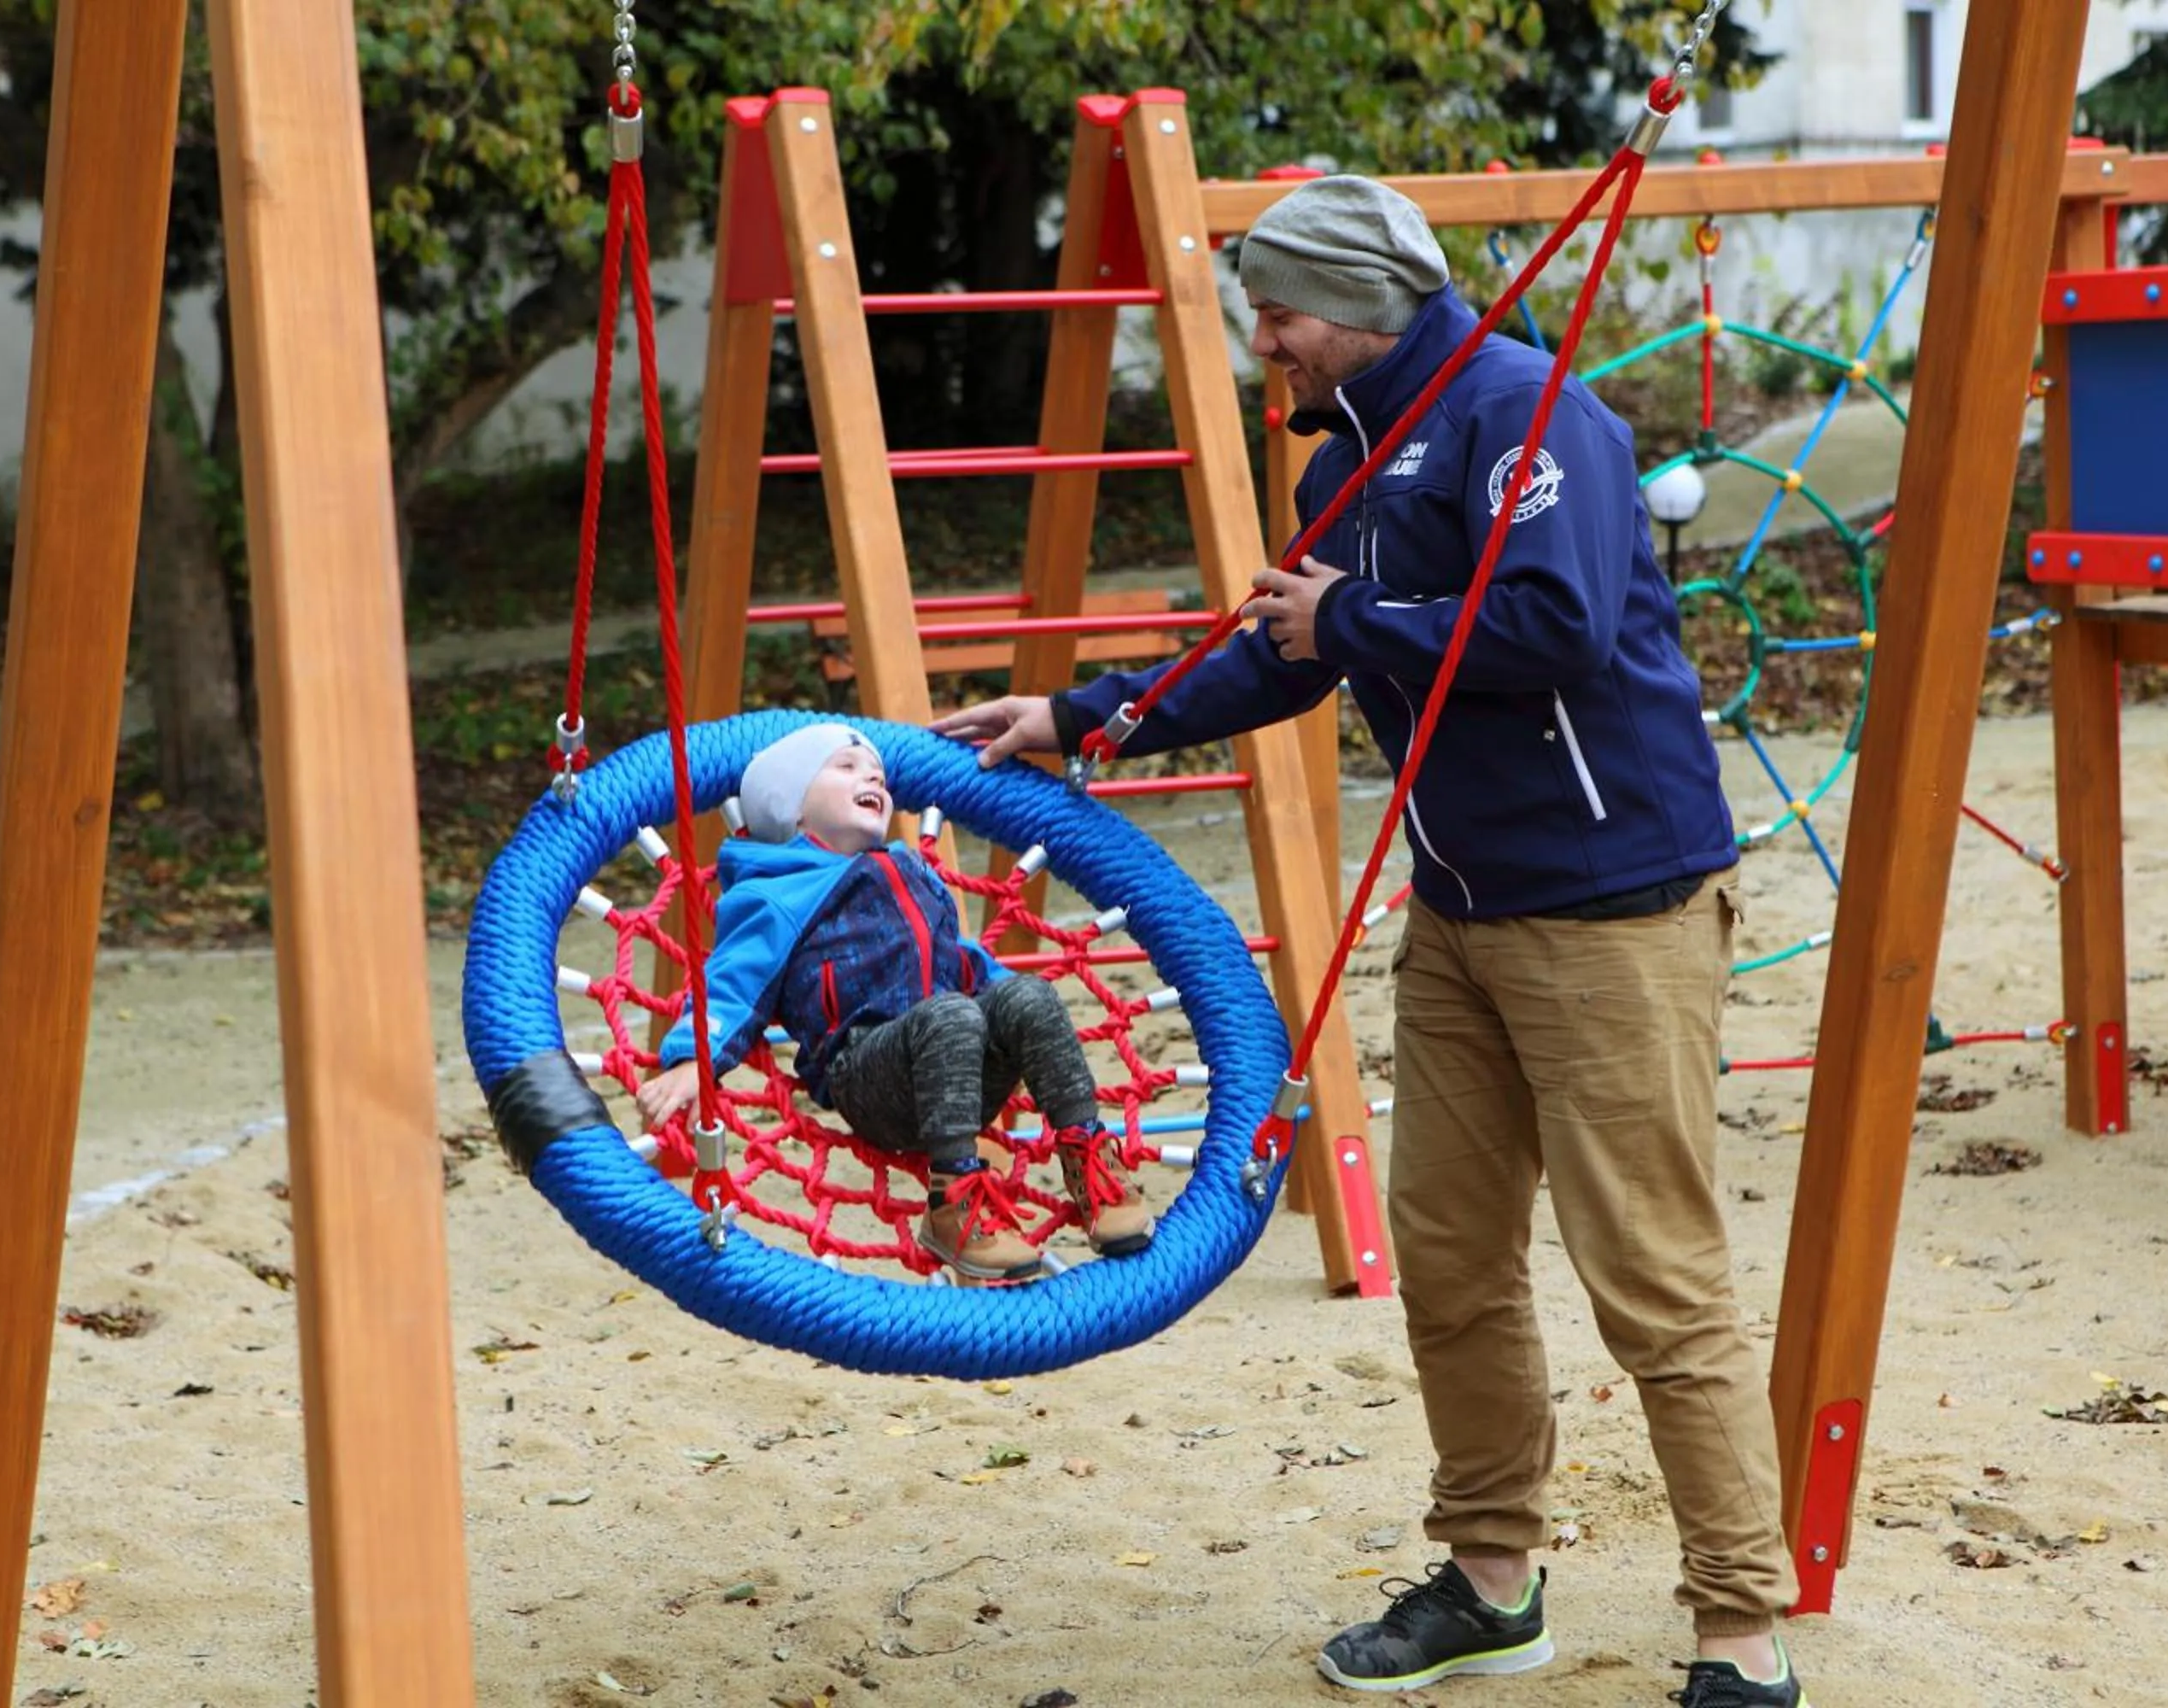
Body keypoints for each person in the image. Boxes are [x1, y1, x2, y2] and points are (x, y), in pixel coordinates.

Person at [932, 175, 1807, 1705]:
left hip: (1613, 910)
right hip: (1461, 914)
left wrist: (1349, 625)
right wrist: (1078, 718)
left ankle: (1742, 1636)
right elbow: (1281, 648)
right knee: (1453, 1262)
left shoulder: (1530, 417)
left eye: (1276, 310)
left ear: (1357, 304)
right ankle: (1489, 1579)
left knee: (1653, 1279)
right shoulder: (1344, 456)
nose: (1259, 337)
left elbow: (1551, 625)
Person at [637, 721, 1153, 1282]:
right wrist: (697, 1060)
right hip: (870, 1074)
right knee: (949, 1013)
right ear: (792, 807)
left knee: (1027, 994)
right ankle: (954, 1205)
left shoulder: (908, 871)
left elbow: (959, 960)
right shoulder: (775, 892)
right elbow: (734, 980)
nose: (873, 779)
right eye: (847, 768)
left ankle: (1090, 1165)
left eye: (879, 776)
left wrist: (1026, 1027)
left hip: (958, 1073)